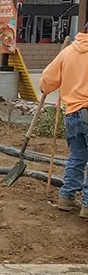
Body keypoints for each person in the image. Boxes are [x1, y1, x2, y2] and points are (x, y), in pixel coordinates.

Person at [40, 26, 88, 219]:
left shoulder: (68, 52)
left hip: (73, 114)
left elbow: (46, 82)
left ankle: (67, 196)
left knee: (77, 156)